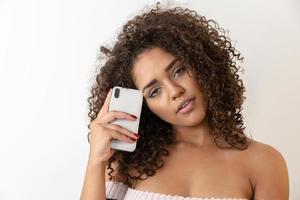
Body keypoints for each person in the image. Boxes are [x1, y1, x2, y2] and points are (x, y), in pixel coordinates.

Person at [80, 2, 289, 200]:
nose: (175, 91)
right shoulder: (125, 161)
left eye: (178, 71)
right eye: (154, 92)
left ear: (202, 63)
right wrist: (95, 162)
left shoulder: (264, 163)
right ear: (145, 107)